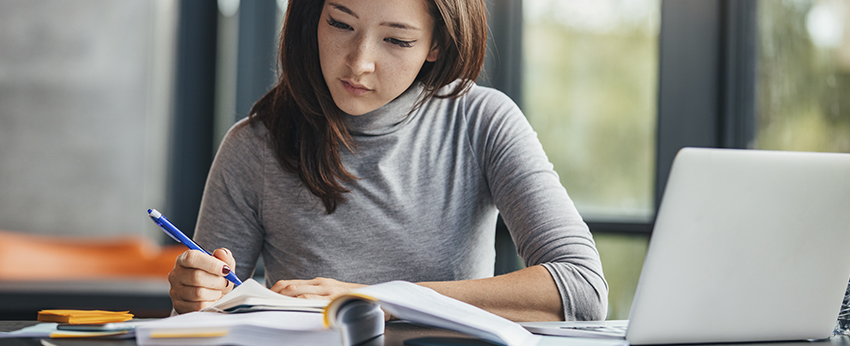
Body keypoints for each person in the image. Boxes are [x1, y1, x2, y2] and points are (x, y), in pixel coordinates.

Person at [167, 0, 608, 322]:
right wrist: (194, 299)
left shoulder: (482, 122)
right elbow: (202, 324)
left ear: (436, 44)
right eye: (340, 24)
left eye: (397, 39)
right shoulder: (254, 146)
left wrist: (380, 298)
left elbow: (582, 288)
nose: (359, 63)